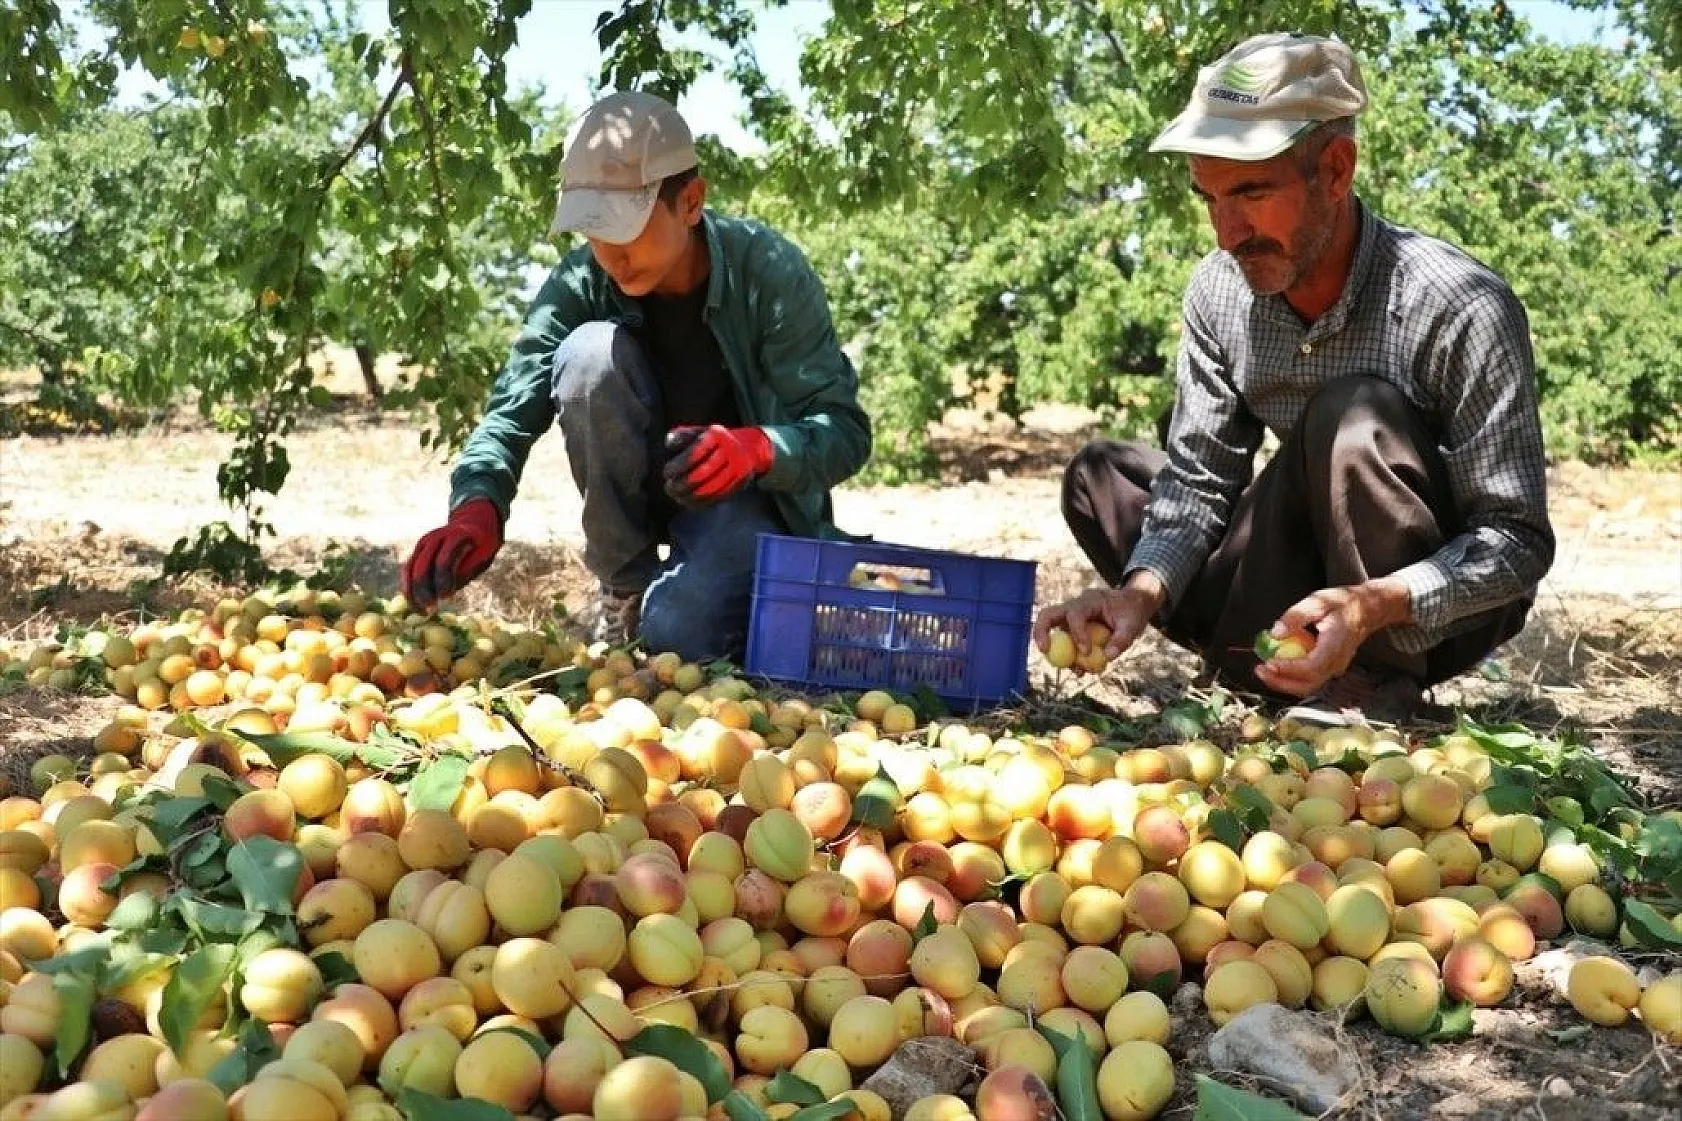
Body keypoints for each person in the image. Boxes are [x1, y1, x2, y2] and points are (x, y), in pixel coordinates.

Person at [1033, 32, 1555, 725]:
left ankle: (1369, 682)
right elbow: (1198, 478)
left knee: (1354, 414)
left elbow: (1515, 540)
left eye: (1250, 192)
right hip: (1289, 579)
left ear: (1336, 170)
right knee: (1101, 476)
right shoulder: (1219, 292)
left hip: (1416, 609)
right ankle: (1263, 658)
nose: (1227, 232)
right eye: (1210, 199)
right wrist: (1139, 594)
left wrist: (1374, 603)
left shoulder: (1458, 305)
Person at [402, 91, 871, 660]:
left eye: (625, 229)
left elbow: (844, 431)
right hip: (641, 498)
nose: (610, 254)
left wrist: (757, 451)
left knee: (674, 638)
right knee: (588, 354)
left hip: (741, 505)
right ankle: (623, 589)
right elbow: (510, 412)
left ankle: (684, 605)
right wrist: (477, 507)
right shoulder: (582, 284)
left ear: (691, 201)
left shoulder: (768, 273)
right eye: (594, 232)